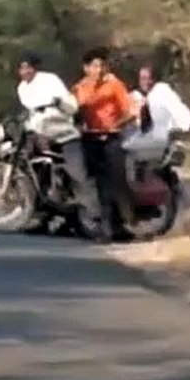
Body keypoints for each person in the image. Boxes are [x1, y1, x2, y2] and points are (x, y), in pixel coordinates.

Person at [14, 51, 99, 222]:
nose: (25, 72)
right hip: (41, 134)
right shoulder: (22, 89)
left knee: (78, 174)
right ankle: (38, 211)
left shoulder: (50, 80)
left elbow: (71, 105)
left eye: (28, 67)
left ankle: (96, 216)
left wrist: (58, 102)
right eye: (21, 68)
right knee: (28, 165)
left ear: (35, 68)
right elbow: (31, 112)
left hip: (64, 135)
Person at [72, 47, 137, 241]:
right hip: (90, 139)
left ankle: (122, 224)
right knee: (96, 184)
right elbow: (73, 111)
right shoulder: (80, 87)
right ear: (86, 68)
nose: (98, 70)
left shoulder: (114, 85)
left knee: (115, 182)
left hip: (111, 138)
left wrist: (114, 125)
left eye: (101, 65)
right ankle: (105, 227)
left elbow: (130, 112)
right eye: (94, 66)